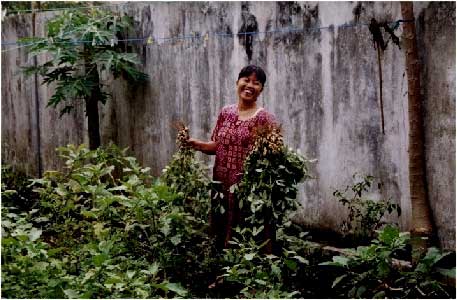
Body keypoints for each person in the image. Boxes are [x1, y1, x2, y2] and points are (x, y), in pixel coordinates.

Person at [187, 65, 278, 250]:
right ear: (237, 82)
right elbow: (218, 146)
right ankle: (221, 269)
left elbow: (274, 154)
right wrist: (197, 145)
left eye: (256, 83)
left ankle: (245, 271)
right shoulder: (226, 112)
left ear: (261, 89)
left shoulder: (264, 118)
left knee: (247, 232)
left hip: (246, 188)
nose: (250, 85)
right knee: (221, 227)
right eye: (246, 80)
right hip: (221, 183)